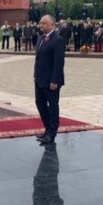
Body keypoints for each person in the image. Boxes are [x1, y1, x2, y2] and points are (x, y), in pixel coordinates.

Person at [34, 15, 65, 144]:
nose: (41, 25)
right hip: (39, 79)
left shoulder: (57, 40)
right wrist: (35, 75)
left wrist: (54, 81)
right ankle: (47, 129)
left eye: (44, 23)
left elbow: (59, 63)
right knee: (40, 104)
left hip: (51, 81)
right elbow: (38, 59)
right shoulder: (40, 38)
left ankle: (52, 133)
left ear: (52, 25)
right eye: (40, 23)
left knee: (52, 107)